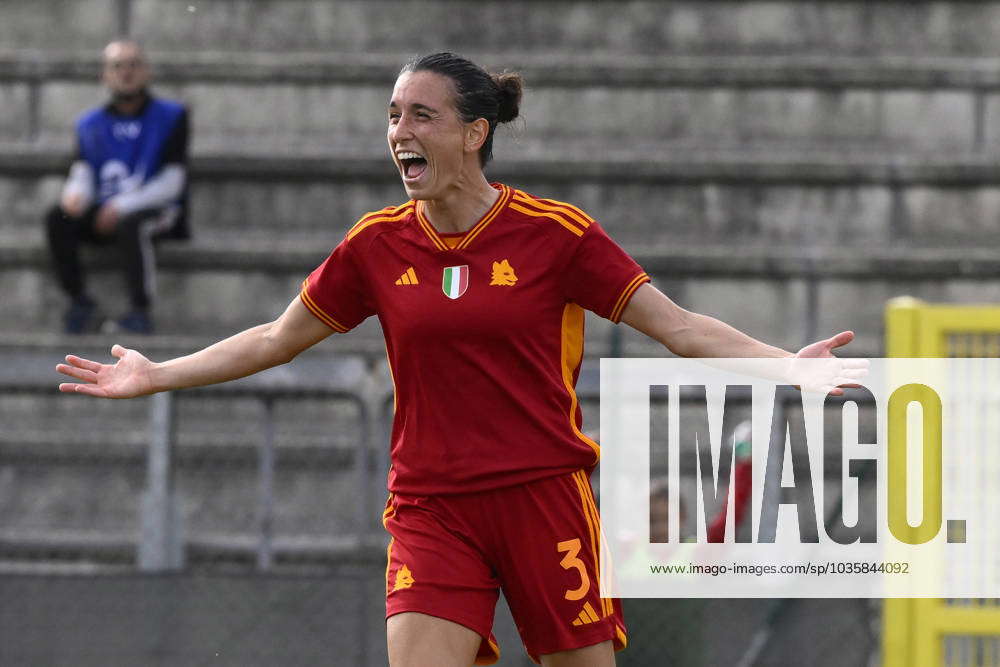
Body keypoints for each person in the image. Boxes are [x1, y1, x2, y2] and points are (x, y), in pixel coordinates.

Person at [57, 52, 866, 667]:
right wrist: (158, 373)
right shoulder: (374, 245)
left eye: (421, 116)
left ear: (474, 133)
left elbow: (681, 326)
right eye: (393, 115)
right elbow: (275, 338)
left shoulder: (556, 235)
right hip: (432, 504)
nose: (399, 133)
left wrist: (787, 366)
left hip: (542, 496)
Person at [45, 39, 189, 335]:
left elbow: (172, 182)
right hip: (106, 210)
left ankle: (140, 311)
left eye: (133, 64)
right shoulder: (89, 124)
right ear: (105, 75)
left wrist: (120, 207)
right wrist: (75, 195)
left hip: (155, 210)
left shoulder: (172, 116)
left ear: (146, 72)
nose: (126, 72)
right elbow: (83, 171)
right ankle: (79, 301)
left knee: (131, 224)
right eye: (117, 66)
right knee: (57, 217)